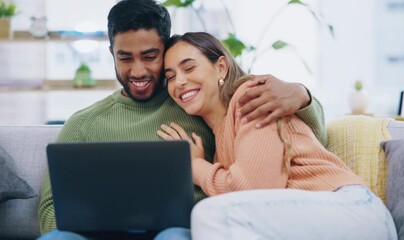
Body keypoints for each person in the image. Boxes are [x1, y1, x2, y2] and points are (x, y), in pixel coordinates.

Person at [38, 0, 327, 239]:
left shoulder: (198, 106)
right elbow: (50, 210)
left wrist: (303, 96)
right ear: (112, 53)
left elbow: (298, 140)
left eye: (150, 56)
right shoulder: (83, 124)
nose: (138, 71)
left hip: (179, 230)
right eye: (125, 58)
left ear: (166, 50)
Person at [154, 32, 398, 240]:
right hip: (309, 218)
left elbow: (252, 191)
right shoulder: (221, 142)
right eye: (171, 77)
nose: (180, 82)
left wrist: (196, 166)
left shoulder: (251, 98)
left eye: (188, 68)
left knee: (209, 214)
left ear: (221, 67)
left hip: (353, 210)